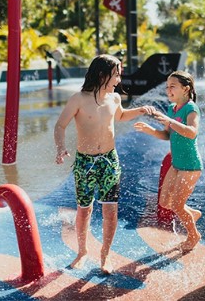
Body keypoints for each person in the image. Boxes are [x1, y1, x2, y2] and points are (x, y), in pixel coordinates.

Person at [54, 54, 156, 274]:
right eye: (116, 74)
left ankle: (105, 254)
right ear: (102, 74)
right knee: (84, 210)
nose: (119, 79)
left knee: (111, 211)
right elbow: (60, 126)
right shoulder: (79, 99)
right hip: (85, 163)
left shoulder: (114, 98)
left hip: (109, 161)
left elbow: (119, 117)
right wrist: (61, 147)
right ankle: (82, 252)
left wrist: (140, 110)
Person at [133, 70, 203, 251]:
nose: (168, 90)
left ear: (185, 89)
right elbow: (166, 135)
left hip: (190, 165)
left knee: (178, 206)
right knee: (165, 202)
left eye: (173, 86)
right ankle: (192, 213)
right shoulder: (172, 109)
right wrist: (150, 129)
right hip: (176, 164)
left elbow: (191, 132)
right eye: (167, 87)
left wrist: (168, 121)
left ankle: (193, 236)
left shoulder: (191, 109)